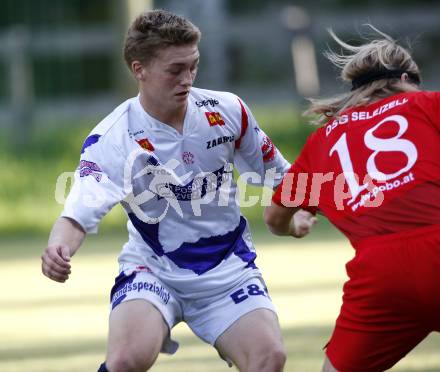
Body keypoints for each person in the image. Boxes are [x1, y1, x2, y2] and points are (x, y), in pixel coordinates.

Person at [41, 9, 314, 372]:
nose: (187, 79)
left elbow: (281, 177)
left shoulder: (228, 111)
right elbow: (77, 211)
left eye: (193, 66)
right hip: (153, 269)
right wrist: (58, 247)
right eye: (175, 70)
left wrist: (297, 219)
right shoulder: (114, 138)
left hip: (227, 268)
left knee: (270, 357)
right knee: (124, 360)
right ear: (139, 69)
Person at [264, 26, 440, 372]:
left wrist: (293, 227)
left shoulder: (324, 140)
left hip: (380, 277)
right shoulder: (427, 104)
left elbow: (273, 217)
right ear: (406, 78)